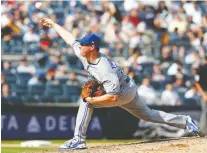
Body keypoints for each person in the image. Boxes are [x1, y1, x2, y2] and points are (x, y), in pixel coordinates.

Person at [40, 18, 205, 150]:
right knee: (148, 114)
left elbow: (112, 98)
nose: (79, 45)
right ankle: (185, 121)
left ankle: (78, 140)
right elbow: (70, 39)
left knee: (86, 102)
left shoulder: (104, 69)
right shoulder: (85, 53)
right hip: (127, 85)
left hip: (123, 91)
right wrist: (54, 24)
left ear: (92, 47)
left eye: (83, 44)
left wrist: (91, 100)